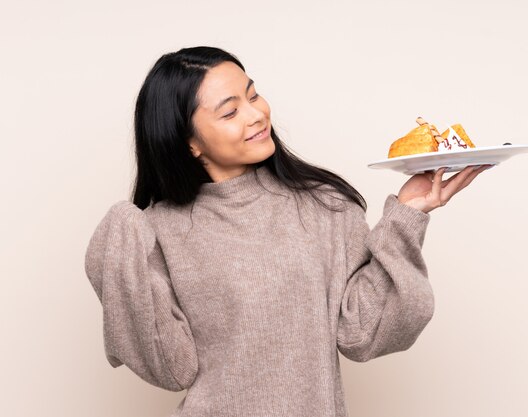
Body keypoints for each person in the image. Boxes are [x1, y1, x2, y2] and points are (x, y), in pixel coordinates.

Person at [84, 46, 491, 417]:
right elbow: (172, 368)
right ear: (191, 143)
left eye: (253, 94)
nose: (257, 114)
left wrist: (407, 216)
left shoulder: (323, 203)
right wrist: (122, 239)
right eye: (230, 112)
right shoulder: (156, 232)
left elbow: (364, 333)